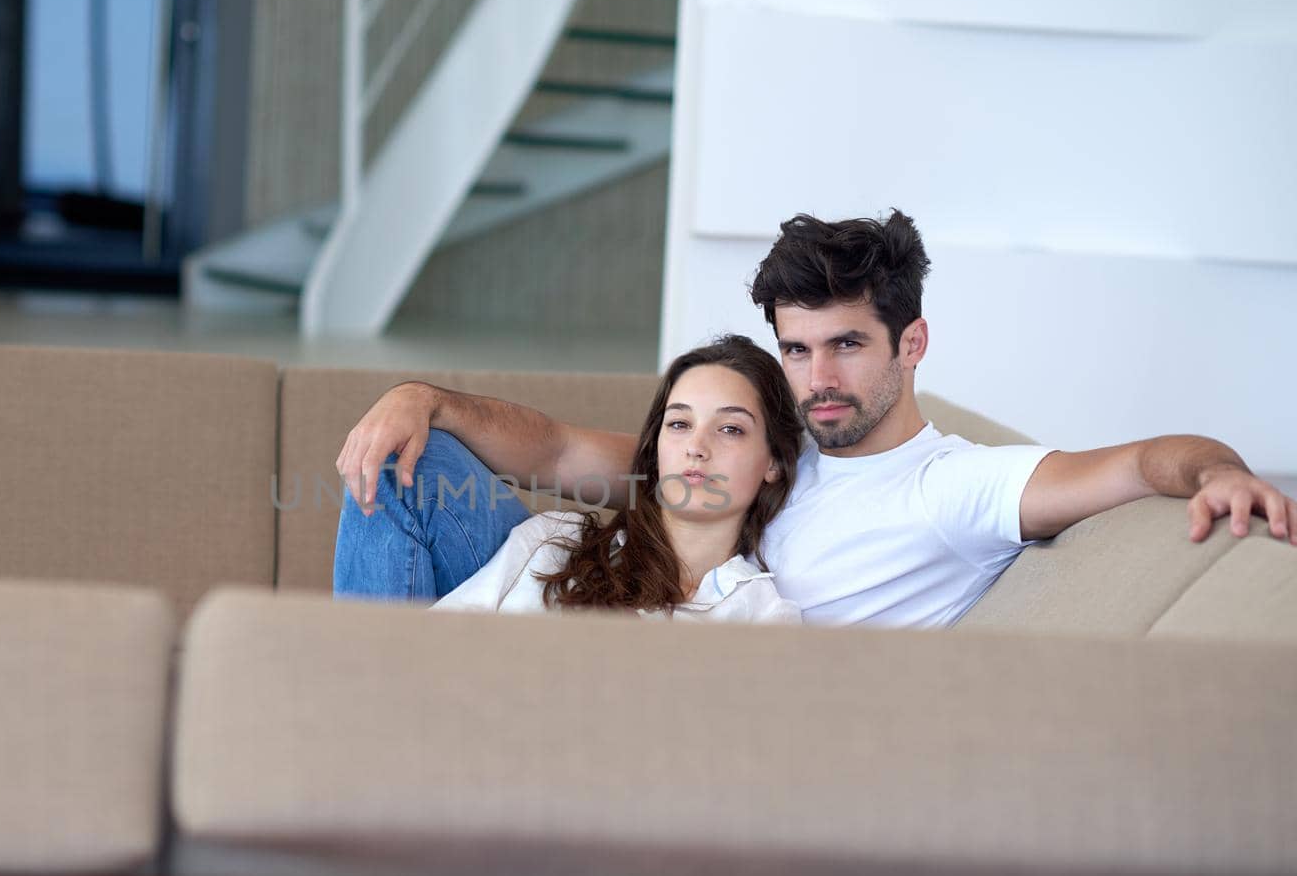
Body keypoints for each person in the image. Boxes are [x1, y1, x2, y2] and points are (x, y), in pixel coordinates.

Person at [333, 210, 1297, 627]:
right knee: (417, 460)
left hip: (698, 666)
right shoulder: (760, 445)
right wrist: (425, 398)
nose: (817, 377)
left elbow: (1138, 462)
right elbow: (546, 447)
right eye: (797, 351)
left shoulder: (955, 485)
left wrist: (1218, 472)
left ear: (911, 344)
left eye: (846, 346)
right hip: (607, 597)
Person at [430, 335, 802, 624]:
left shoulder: (764, 614)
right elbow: (428, 645)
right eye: (679, 424)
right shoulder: (555, 541)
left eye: (730, 429)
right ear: (655, 449)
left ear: (774, 463)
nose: (696, 447)